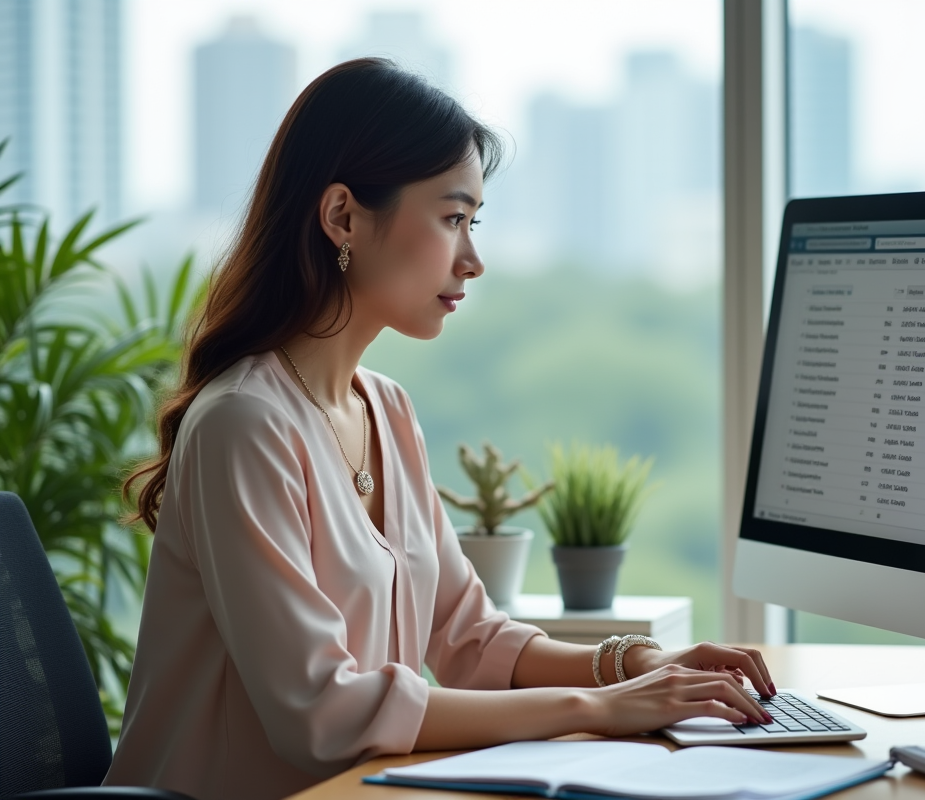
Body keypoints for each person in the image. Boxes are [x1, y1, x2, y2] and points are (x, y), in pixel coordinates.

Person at [107, 59, 775, 800]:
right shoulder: (243, 426)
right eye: (453, 218)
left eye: (474, 222)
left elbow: (470, 639)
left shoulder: (386, 410)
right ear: (343, 217)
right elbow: (321, 713)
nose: (474, 259)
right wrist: (598, 709)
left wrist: (641, 663)